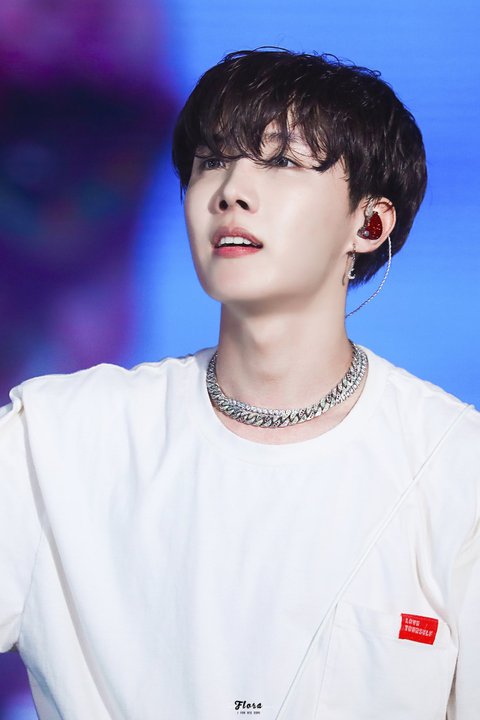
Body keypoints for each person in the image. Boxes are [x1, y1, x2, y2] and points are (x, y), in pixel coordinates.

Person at [0, 48, 478, 720]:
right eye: (211, 162)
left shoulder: (455, 467)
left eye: (281, 162)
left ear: (369, 224)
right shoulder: (56, 440)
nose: (230, 191)